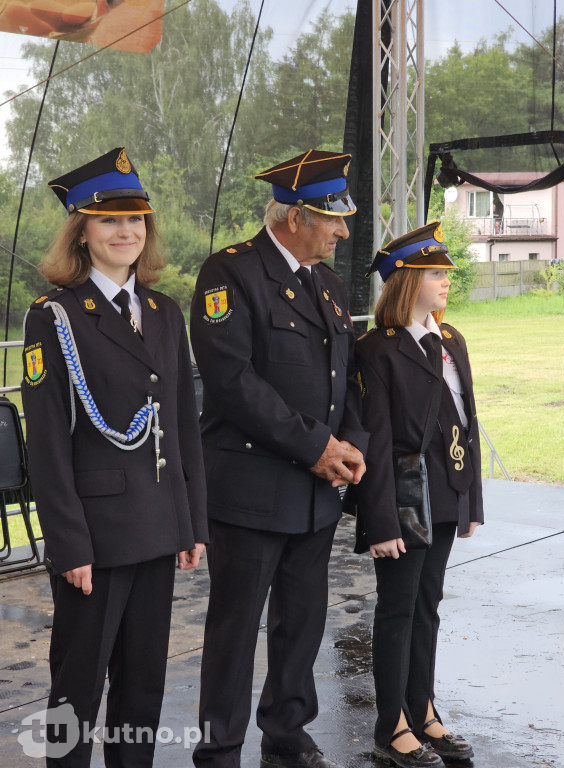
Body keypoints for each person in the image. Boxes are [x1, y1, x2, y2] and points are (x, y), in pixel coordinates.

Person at [21, 147, 208, 768]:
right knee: (76, 691)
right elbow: (46, 445)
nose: (126, 231)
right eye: (108, 220)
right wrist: (69, 544)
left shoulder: (164, 311)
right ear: (81, 231)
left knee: (143, 689)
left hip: (157, 529)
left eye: (135, 219)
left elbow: (181, 427)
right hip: (95, 541)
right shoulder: (56, 317)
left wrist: (191, 525)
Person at [190, 149, 369, 768]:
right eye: (333, 219)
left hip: (317, 492)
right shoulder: (229, 274)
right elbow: (234, 383)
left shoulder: (329, 283)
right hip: (251, 488)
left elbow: (344, 377)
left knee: (301, 625)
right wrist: (317, 446)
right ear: (295, 216)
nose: (344, 231)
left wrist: (349, 447)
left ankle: (286, 739)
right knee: (235, 632)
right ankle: (220, 751)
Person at [351, 222, 484, 768]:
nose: (445, 282)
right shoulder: (377, 350)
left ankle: (423, 709)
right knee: (398, 609)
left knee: (428, 605)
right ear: (405, 282)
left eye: (445, 273)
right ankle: (393, 726)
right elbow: (377, 439)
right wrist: (378, 520)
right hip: (404, 496)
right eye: (435, 274)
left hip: (447, 491)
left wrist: (472, 498)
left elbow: (467, 422)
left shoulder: (451, 340)